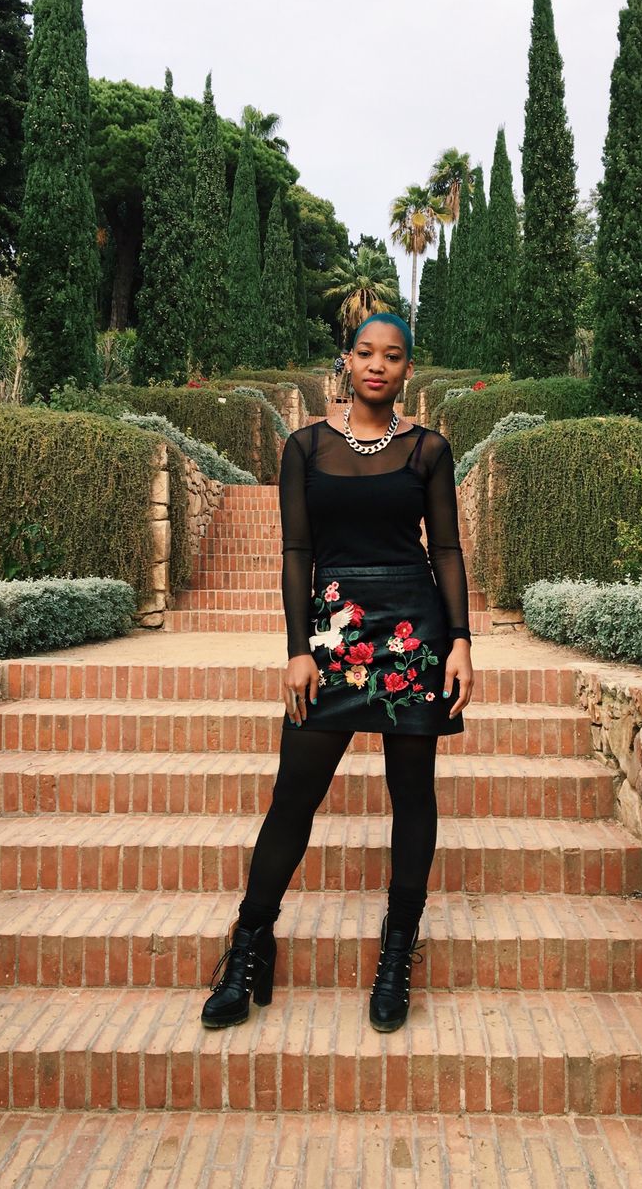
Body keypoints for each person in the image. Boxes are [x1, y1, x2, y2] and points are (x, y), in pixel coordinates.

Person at [201, 312, 474, 1033]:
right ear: (346, 361)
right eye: (366, 352)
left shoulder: (429, 450)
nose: (378, 365)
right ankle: (250, 944)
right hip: (333, 632)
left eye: (393, 355)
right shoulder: (305, 447)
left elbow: (446, 549)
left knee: (412, 794)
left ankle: (397, 952)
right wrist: (298, 648)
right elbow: (297, 552)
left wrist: (461, 640)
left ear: (407, 369)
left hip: (414, 631)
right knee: (295, 793)